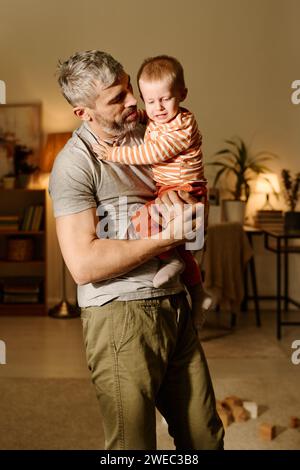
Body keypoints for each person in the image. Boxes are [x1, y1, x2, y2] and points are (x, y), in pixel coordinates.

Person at [49, 50, 224, 450]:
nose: (133, 101)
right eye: (117, 98)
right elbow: (83, 264)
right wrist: (167, 238)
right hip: (120, 316)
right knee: (134, 446)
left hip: (175, 302)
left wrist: (195, 216)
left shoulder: (151, 128)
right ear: (84, 113)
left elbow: (192, 179)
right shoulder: (74, 165)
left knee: (205, 437)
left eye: (129, 87)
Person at [93, 55, 211, 329]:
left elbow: (154, 152)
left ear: (182, 94)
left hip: (186, 189)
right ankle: (190, 282)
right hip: (169, 189)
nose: (157, 108)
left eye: (165, 99)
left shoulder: (182, 126)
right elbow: (150, 121)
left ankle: (179, 270)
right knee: (163, 234)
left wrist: (114, 153)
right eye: (150, 101)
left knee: (152, 226)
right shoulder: (159, 118)